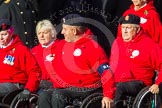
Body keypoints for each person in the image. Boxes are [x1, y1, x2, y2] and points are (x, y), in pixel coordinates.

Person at [38, 14, 115, 108]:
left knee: (58, 95)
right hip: (63, 87)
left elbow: (106, 72)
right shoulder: (61, 45)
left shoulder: (92, 47)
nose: (62, 32)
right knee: (44, 96)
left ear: (74, 31)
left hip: (86, 88)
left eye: (65, 29)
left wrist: (108, 95)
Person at [110, 14, 162, 108]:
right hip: (118, 80)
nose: (124, 31)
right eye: (123, 27)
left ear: (137, 29)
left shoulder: (149, 45)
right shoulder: (117, 42)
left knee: (119, 88)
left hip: (139, 82)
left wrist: (158, 83)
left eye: (128, 28)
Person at [0, 19, 41, 101]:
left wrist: (29, 88)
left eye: (4, 34)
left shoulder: (21, 50)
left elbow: (35, 71)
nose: (0, 38)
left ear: (11, 33)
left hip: (14, 84)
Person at [32, 19, 59, 91]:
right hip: (38, 83)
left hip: (54, 84)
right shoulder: (34, 51)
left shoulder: (60, 47)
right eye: (39, 33)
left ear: (52, 33)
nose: (42, 36)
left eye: (45, 33)